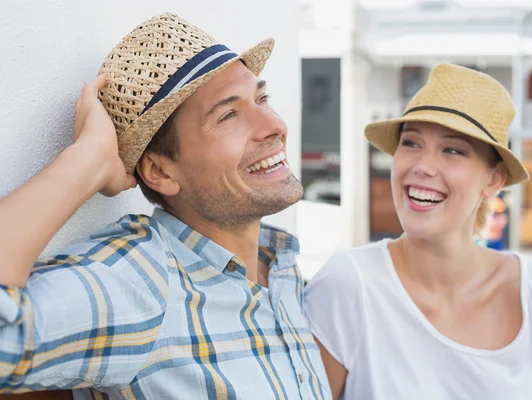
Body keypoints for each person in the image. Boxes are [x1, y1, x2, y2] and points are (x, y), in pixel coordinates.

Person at [0, 13, 330, 399]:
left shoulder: (281, 265)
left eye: (262, 99)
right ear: (159, 171)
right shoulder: (144, 283)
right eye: (227, 115)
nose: (274, 125)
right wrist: (85, 161)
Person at [304, 64, 532, 400]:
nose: (422, 166)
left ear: (494, 179)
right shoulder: (348, 287)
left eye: (453, 150)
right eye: (411, 143)